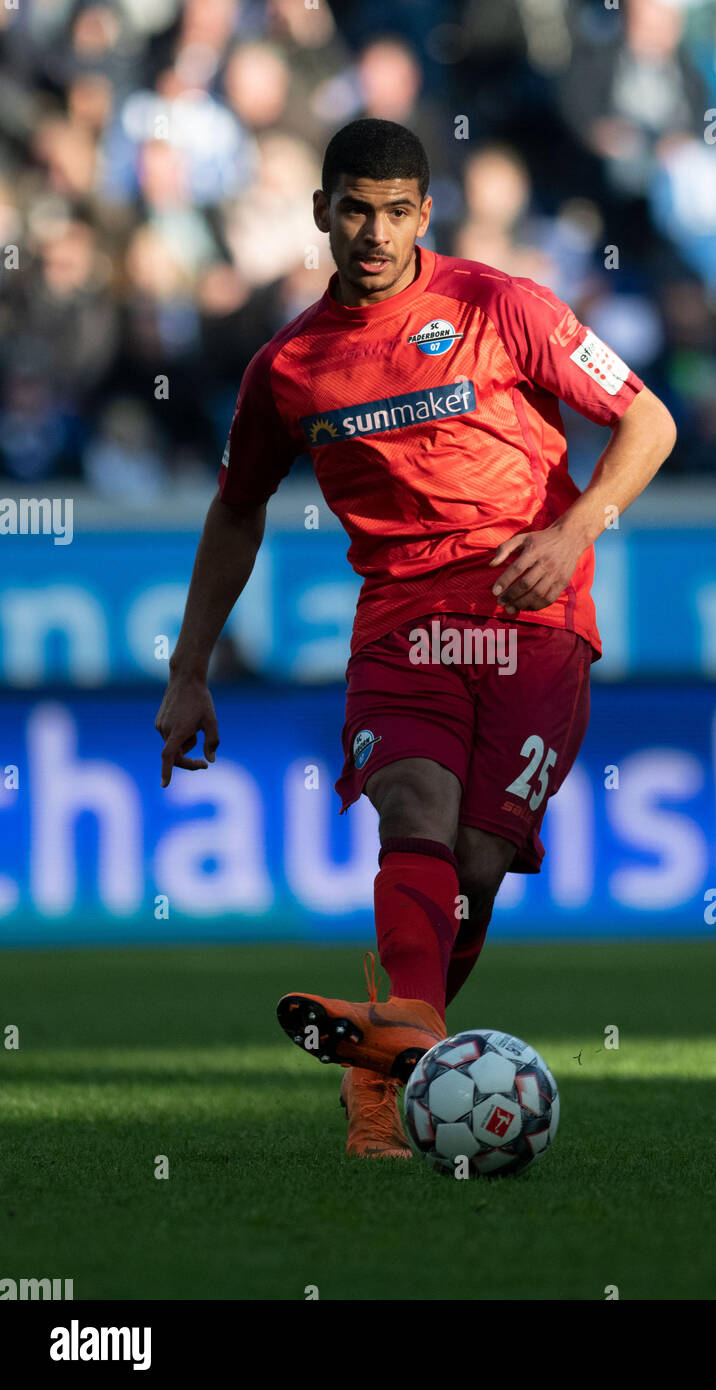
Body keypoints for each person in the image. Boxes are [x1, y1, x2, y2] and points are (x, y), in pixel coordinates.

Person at [155, 118, 676, 1158]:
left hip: (534, 616)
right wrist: (188, 669)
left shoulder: (500, 303)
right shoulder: (288, 367)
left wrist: (572, 526)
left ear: (424, 213)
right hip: (401, 623)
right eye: (355, 208)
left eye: (396, 211)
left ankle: (389, 1053)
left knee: (474, 866)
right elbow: (237, 510)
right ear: (320, 212)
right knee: (415, 815)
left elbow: (649, 421)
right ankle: (391, 1074)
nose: (375, 232)